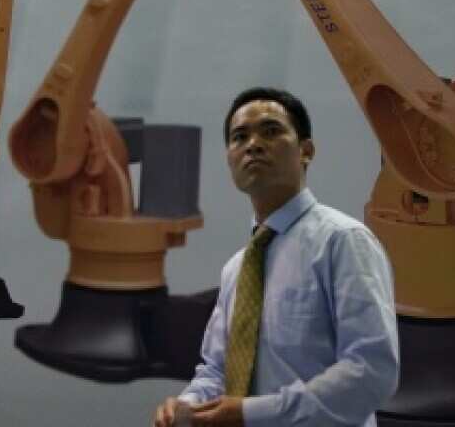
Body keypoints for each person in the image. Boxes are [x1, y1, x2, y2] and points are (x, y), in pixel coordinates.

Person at [153, 87, 399, 427]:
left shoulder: (343, 241)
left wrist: (250, 414)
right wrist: (186, 405)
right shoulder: (237, 269)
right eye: (240, 137)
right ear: (229, 158)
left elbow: (370, 370)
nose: (253, 144)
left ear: (306, 150)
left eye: (271, 131)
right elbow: (216, 370)